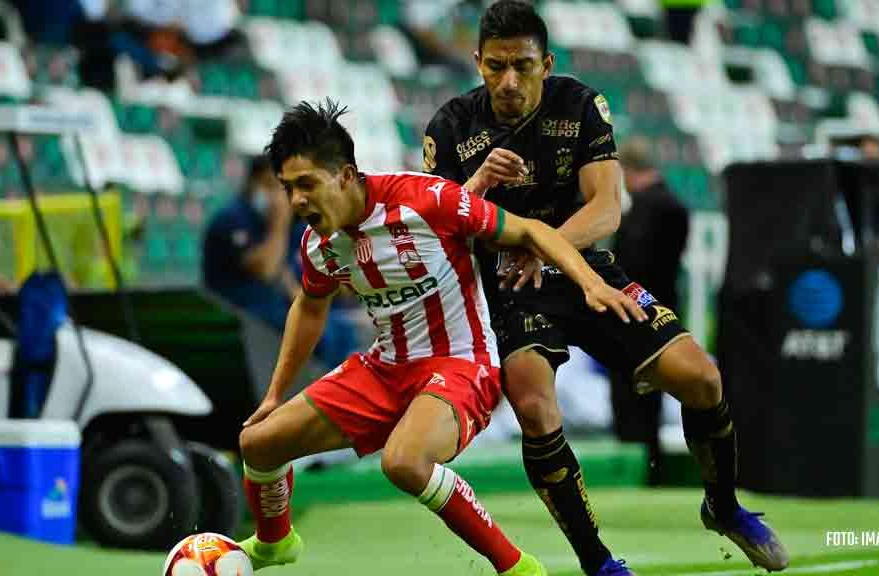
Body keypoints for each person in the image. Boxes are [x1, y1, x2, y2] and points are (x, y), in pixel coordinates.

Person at [422, 2, 788, 574]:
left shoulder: (581, 104)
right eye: (495, 66)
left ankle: (724, 506)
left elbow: (607, 208)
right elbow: (434, 232)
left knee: (701, 376)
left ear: (546, 62)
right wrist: (476, 183)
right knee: (537, 408)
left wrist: (544, 247)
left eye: (522, 65)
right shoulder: (449, 127)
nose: (509, 81)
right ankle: (598, 563)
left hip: (585, 270)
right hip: (507, 288)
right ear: (477, 62)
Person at [235, 99, 647, 576]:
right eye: (288, 189)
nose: (297, 201)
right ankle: (274, 545)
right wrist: (273, 395)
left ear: (346, 174)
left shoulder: (427, 200)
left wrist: (592, 283)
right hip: (384, 368)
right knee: (257, 443)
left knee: (404, 462)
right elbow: (309, 307)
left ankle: (518, 568)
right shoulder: (318, 243)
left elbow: (531, 231)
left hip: (460, 364)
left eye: (307, 184)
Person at [202, 154, 356, 366]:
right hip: (239, 313)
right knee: (316, 332)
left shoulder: (296, 226)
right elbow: (265, 269)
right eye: (271, 186)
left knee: (341, 329)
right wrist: (279, 223)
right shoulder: (232, 218)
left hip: (276, 308)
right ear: (252, 183)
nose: (280, 196)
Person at [610, 137, 690, 486]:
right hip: (665, 311)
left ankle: (637, 468)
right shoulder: (676, 205)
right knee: (653, 394)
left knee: (630, 396)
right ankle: (651, 462)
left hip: (635, 314)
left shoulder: (643, 210)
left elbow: (631, 267)